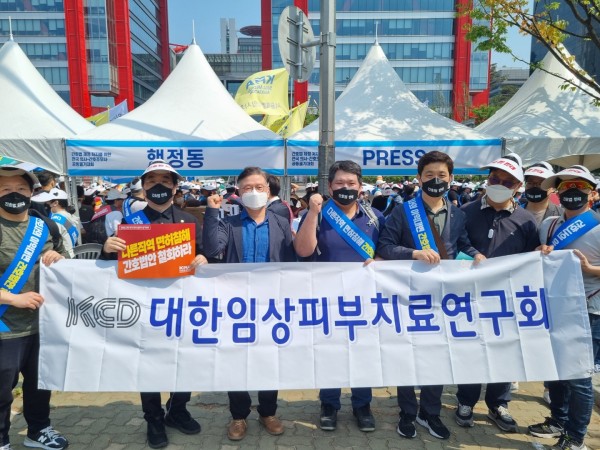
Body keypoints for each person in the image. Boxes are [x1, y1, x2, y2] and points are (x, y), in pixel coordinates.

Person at [377, 151, 483, 440]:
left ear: (450, 178)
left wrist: (476, 254)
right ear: (419, 178)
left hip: (443, 298)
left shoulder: (458, 214)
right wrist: (414, 253)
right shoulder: (403, 211)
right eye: (430, 175)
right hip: (409, 295)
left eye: (441, 176)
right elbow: (385, 246)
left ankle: (430, 412)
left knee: (438, 355)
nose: (436, 180)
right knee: (407, 354)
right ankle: (407, 412)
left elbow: (462, 244)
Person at [102, 160, 206, 449]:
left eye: (164, 181)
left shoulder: (189, 221)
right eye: (151, 181)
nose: (158, 186)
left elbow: (205, 256)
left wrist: (203, 258)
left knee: (184, 360)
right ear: (143, 187)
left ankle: (178, 410)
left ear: (174, 187)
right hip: (145, 308)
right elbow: (110, 268)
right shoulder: (129, 224)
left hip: (181, 307)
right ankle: (154, 419)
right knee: (147, 365)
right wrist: (107, 249)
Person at [202, 166, 295, 441]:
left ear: (269, 190)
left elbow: (292, 259)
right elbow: (213, 249)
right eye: (247, 188)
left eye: (259, 187)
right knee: (236, 359)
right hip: (236, 305)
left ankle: (268, 412)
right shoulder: (229, 223)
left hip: (271, 304)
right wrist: (212, 212)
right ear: (239, 193)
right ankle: (238, 415)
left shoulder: (280, 222)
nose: (254, 192)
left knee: (270, 358)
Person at [294, 160, 385, 433]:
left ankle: (362, 405)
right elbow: (303, 251)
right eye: (340, 183)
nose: (346, 188)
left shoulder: (374, 217)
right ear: (330, 187)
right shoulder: (320, 214)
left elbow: (386, 250)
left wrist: (380, 261)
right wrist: (313, 213)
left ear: (360, 186)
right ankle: (329, 404)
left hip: (364, 298)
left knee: (363, 352)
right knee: (330, 352)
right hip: (327, 297)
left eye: (351, 183)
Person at [454, 153, 539, 433]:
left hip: (507, 300)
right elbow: (456, 244)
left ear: (518, 187)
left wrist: (542, 254)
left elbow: (530, 258)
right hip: (470, 296)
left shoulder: (526, 221)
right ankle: (465, 401)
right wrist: (473, 254)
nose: (498, 184)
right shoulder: (466, 212)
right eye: (494, 179)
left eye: (507, 182)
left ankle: (498, 404)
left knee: (505, 351)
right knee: (470, 349)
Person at [528, 165, 598, 450]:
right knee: (555, 367)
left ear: (592, 193)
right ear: (557, 192)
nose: (573, 192)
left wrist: (590, 269)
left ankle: (576, 437)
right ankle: (558, 419)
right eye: (566, 187)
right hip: (556, 305)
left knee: (578, 378)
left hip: (589, 309)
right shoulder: (549, 225)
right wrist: (539, 253)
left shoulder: (597, 226)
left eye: (580, 187)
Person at [0, 166, 69, 450]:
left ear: (31, 192)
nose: (14, 194)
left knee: (40, 383)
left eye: (20, 188)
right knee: (2, 389)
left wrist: (58, 257)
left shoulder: (45, 226)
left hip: (43, 323)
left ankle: (38, 430)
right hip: (5, 327)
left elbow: (65, 260)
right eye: (5, 189)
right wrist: (11, 298)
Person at [521, 162, 563, 226]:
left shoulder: (562, 215)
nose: (534, 186)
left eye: (541, 183)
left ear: (553, 188)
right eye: (530, 183)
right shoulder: (512, 212)